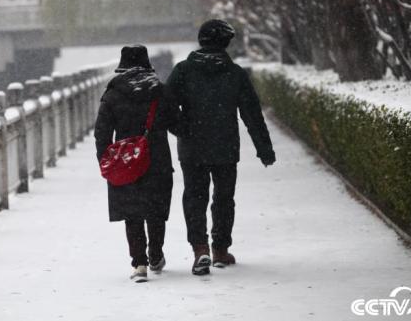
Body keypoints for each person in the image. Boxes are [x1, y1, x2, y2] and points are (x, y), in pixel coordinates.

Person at [167, 19, 276, 276]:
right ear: (225, 43)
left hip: (192, 148)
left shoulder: (183, 71)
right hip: (225, 146)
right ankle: (220, 249)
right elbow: (252, 114)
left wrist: (183, 129)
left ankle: (200, 249)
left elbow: (167, 106)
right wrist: (264, 148)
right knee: (224, 199)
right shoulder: (235, 73)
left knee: (195, 197)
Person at [94, 45, 181, 283]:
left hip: (125, 161)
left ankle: (139, 263)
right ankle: (155, 254)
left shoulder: (112, 94)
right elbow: (177, 124)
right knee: (156, 210)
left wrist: (106, 162)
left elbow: (101, 133)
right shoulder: (160, 91)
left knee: (132, 213)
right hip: (157, 160)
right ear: (147, 64)